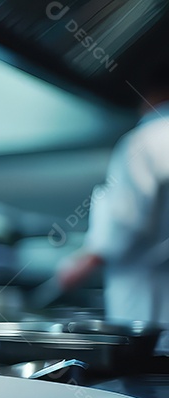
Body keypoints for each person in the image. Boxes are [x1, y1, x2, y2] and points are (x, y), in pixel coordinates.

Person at [56, 66, 169, 326]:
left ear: (149, 95)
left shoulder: (146, 141)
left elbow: (123, 226)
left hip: (150, 309)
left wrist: (76, 268)